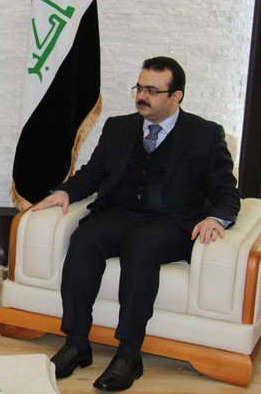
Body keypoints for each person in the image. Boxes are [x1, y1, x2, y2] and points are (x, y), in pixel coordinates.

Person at [31, 57, 240, 391]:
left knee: (140, 246)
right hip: (120, 214)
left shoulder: (205, 134)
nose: (142, 96)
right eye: (140, 88)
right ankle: (76, 342)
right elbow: (94, 173)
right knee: (84, 239)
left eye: (153, 91)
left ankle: (129, 354)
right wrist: (65, 192)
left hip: (170, 223)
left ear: (176, 96)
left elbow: (226, 191)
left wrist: (215, 219)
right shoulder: (119, 127)